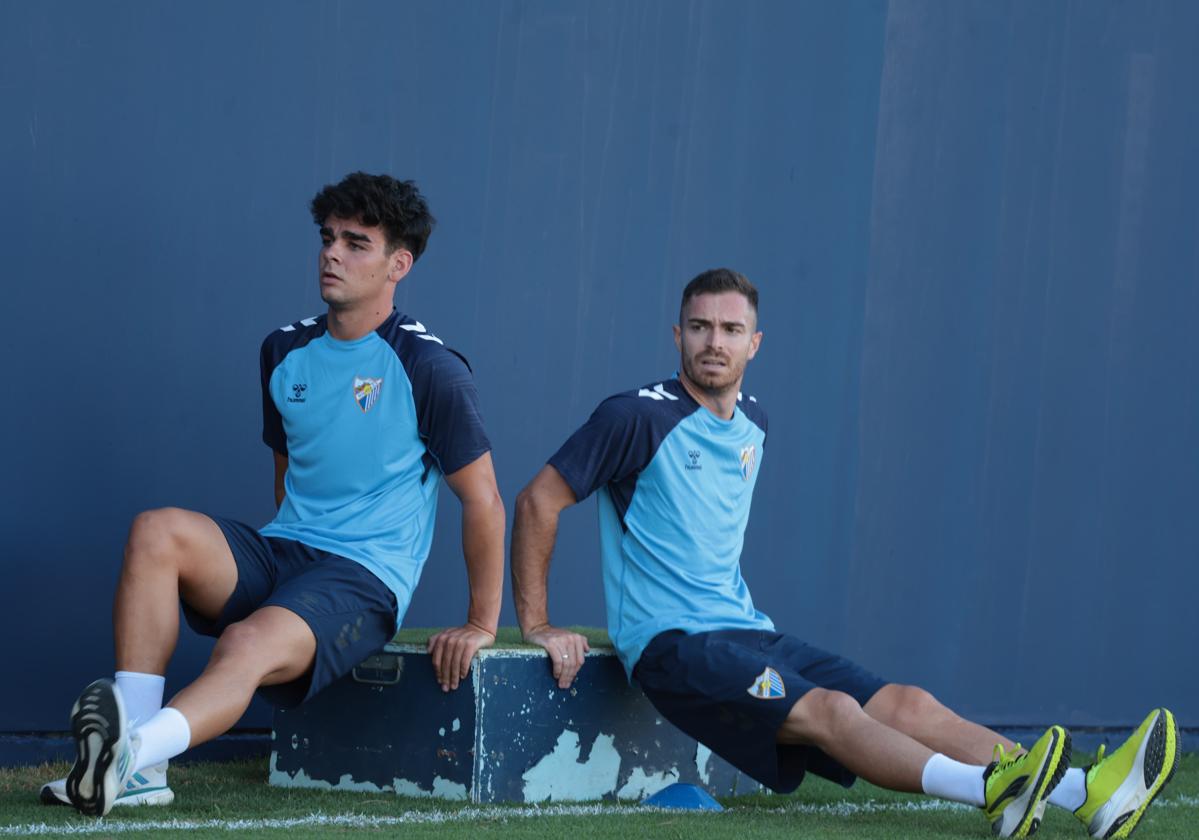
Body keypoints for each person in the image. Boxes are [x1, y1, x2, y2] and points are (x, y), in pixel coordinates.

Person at [510, 268, 1178, 838]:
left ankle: (1087, 794)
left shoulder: (754, 422)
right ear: (676, 335)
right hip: (672, 646)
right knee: (833, 712)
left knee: (908, 702)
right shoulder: (635, 415)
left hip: (747, 629)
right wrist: (537, 623)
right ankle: (993, 789)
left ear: (755, 344)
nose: (713, 342)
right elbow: (539, 500)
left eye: (730, 330)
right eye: (699, 327)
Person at [46, 172, 505, 817]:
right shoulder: (284, 349)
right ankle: (141, 773)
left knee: (245, 646)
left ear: (398, 264)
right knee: (157, 530)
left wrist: (482, 621)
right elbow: (288, 466)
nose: (332, 254)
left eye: (356, 243)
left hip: (363, 577)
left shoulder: (430, 368)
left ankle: (134, 752)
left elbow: (482, 498)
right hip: (283, 550)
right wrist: (281, 561)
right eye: (327, 238)